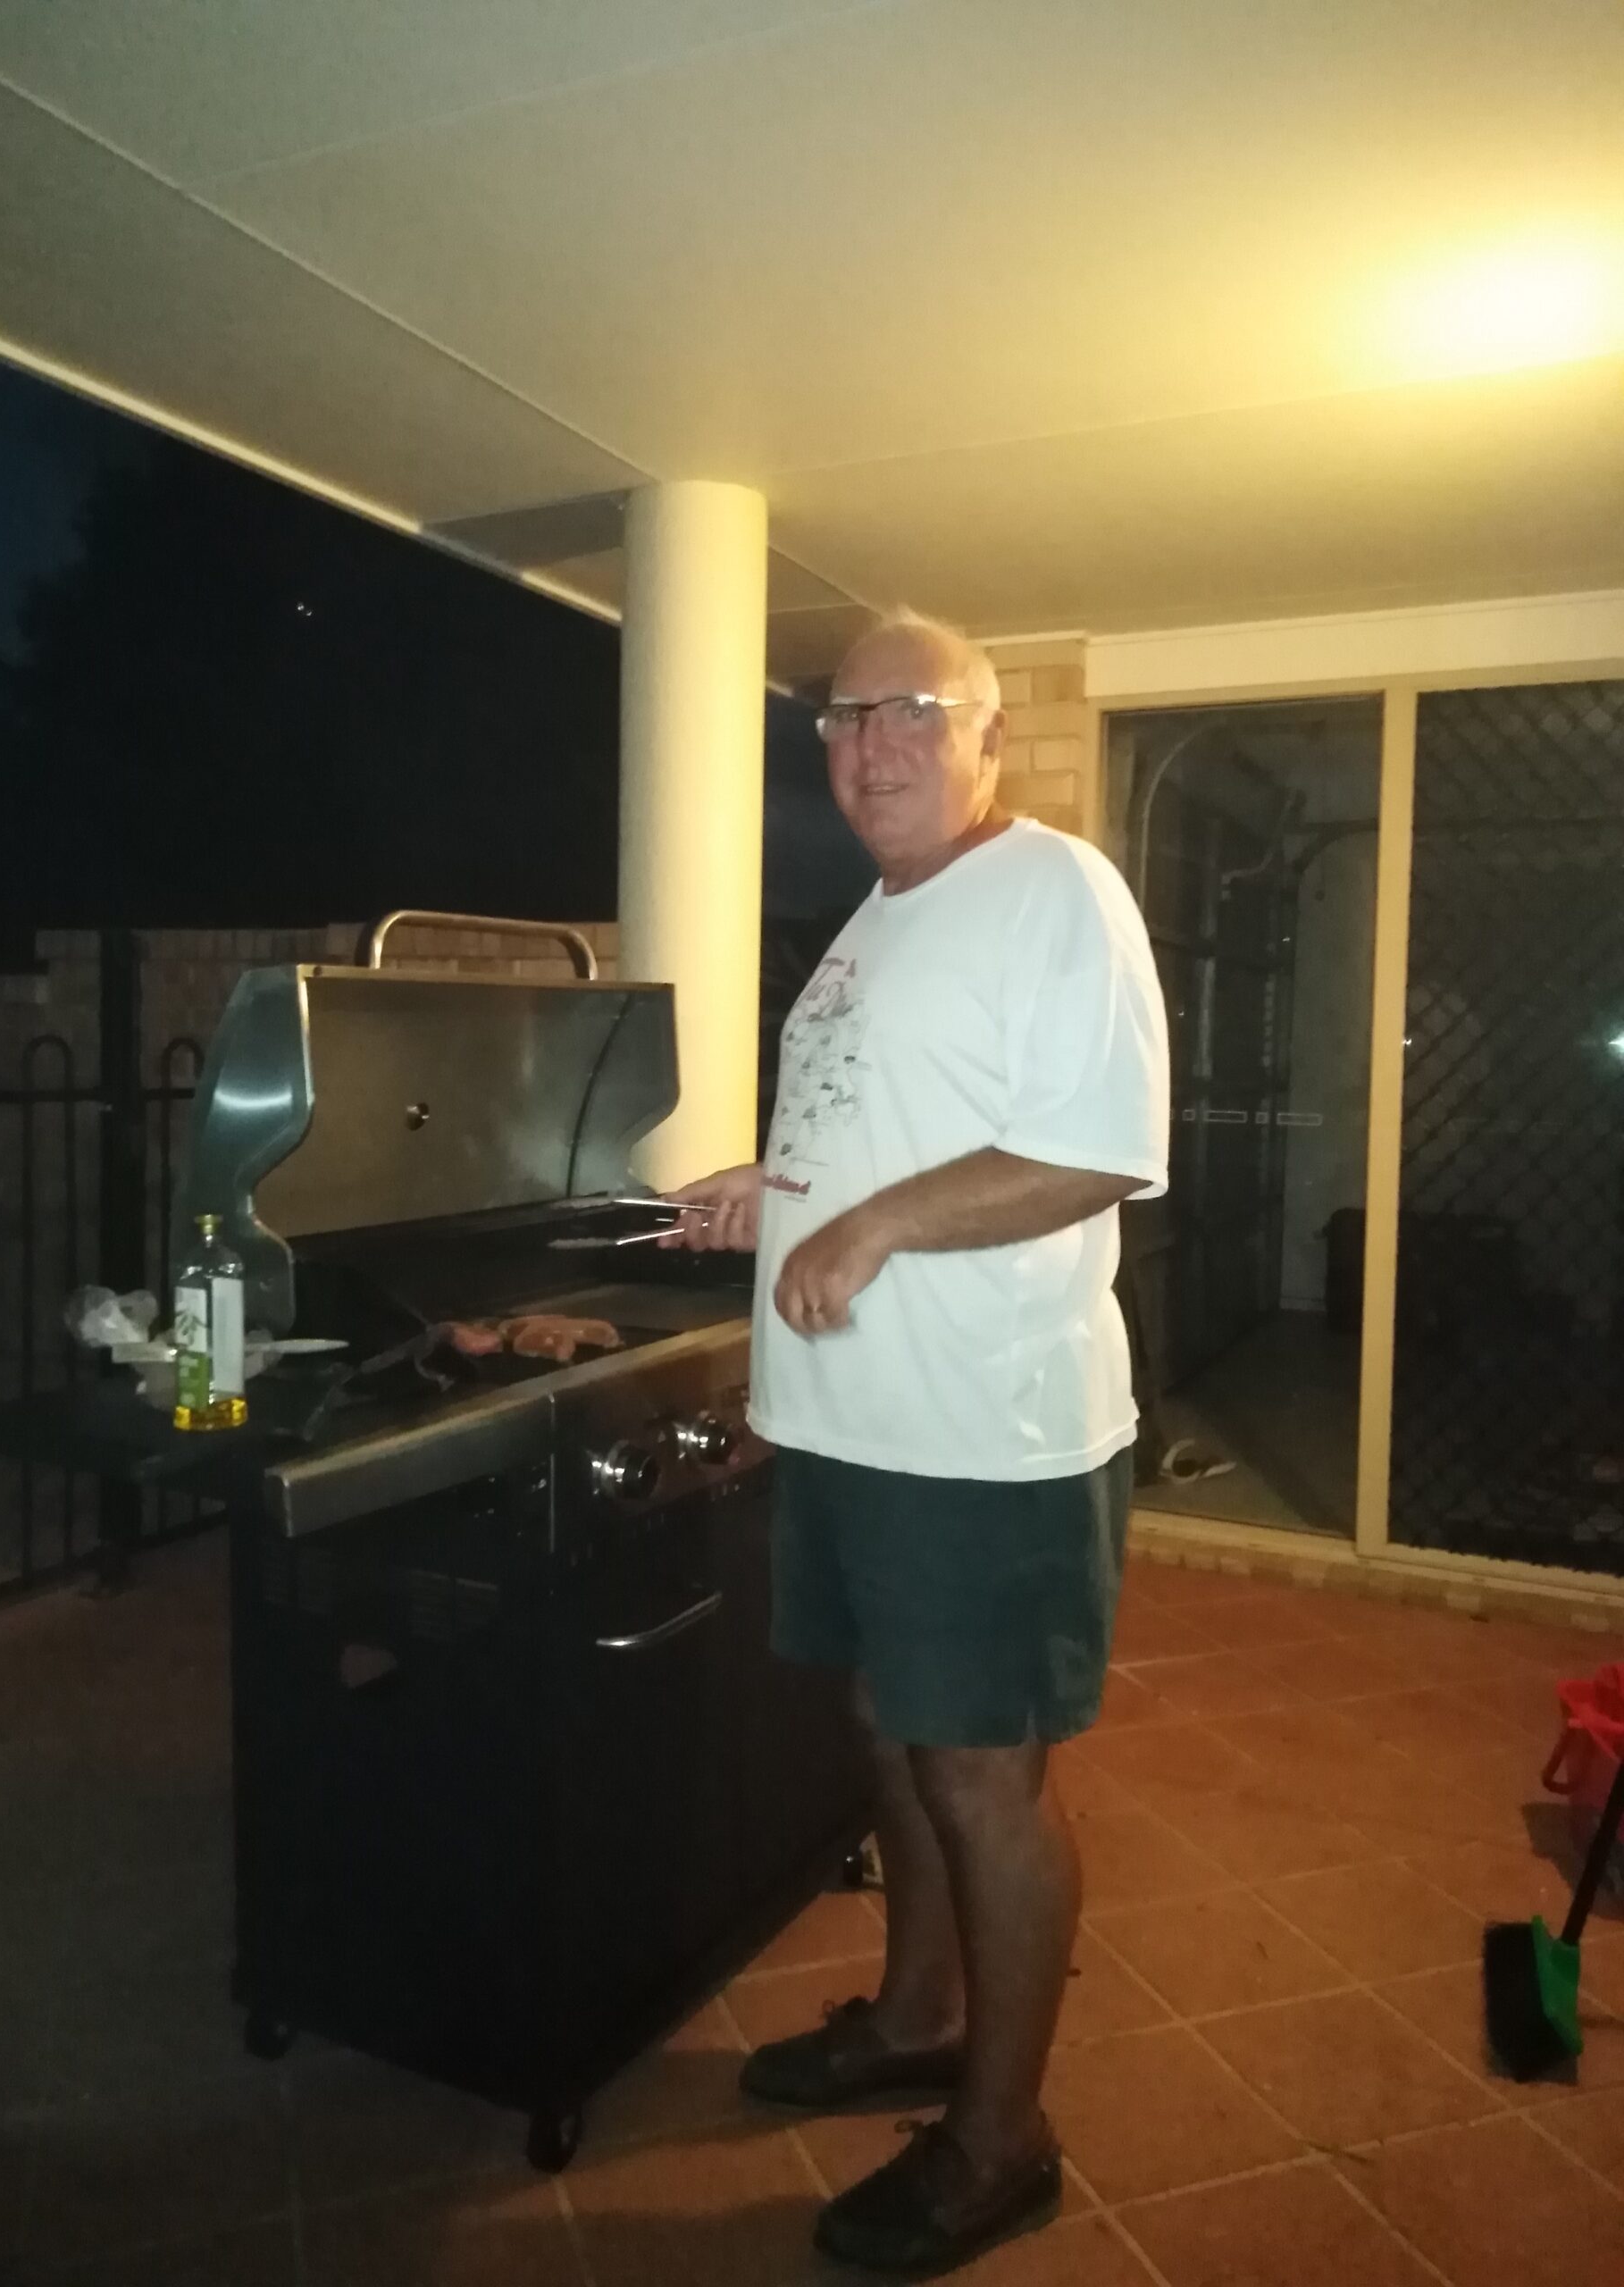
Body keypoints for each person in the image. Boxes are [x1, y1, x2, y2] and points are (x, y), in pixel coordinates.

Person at [664, 608, 1169, 2279]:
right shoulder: (875, 920)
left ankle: (1000, 2136)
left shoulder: (1054, 889)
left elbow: (1094, 1151)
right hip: (854, 1427)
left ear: (985, 736)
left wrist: (871, 1226)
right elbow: (891, 1126)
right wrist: (772, 1189)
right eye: (838, 716)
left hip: (986, 1440)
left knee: (983, 1776)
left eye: (908, 711)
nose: (867, 742)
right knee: (892, 1733)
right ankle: (917, 2016)